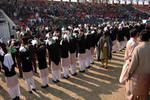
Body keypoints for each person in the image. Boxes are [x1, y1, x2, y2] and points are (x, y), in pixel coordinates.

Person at [126, 29, 150, 100]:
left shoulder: (138, 48)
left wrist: (129, 73)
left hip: (139, 76)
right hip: (148, 75)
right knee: (144, 94)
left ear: (141, 37)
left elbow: (133, 64)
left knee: (135, 94)